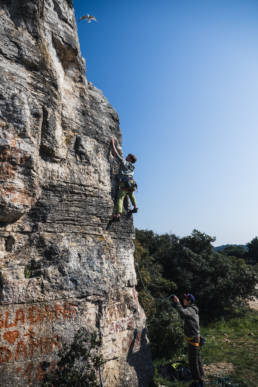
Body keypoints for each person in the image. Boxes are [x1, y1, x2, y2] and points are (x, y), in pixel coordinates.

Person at [172, 293, 205, 387]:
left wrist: (177, 303)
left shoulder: (190, 310)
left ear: (189, 301)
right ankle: (201, 377)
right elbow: (184, 312)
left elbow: (182, 312)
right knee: (197, 359)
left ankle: (197, 382)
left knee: (193, 361)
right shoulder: (192, 309)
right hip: (195, 338)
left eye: (185, 299)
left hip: (193, 339)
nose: (183, 300)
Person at [110, 137, 138, 220]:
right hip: (132, 182)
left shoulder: (125, 162)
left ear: (130, 159)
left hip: (125, 182)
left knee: (120, 198)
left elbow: (116, 154)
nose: (126, 156)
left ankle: (118, 214)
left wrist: (113, 144)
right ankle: (135, 207)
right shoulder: (133, 167)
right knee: (131, 195)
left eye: (128, 156)